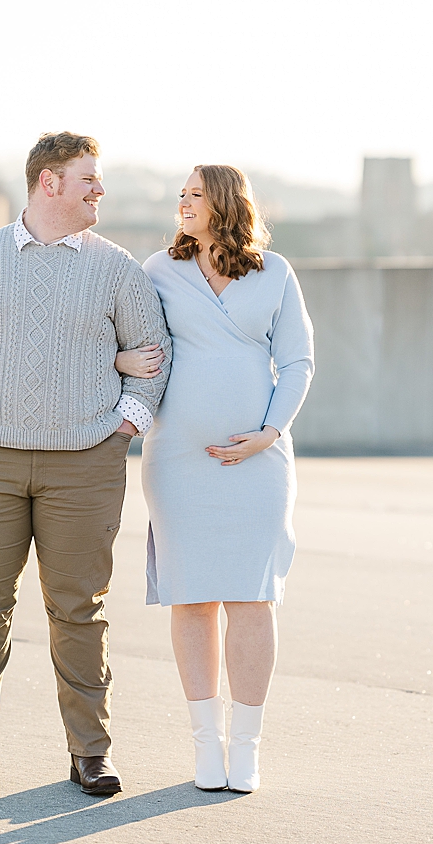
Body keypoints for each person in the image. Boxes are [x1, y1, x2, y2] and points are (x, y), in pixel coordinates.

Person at [0, 132, 171, 796]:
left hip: (85, 464)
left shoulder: (118, 269)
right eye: (89, 179)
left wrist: (125, 426)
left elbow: (153, 349)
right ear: (47, 182)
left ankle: (90, 753)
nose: (99, 190)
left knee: (80, 609)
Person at [115, 164, 314, 793]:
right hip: (178, 460)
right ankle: (206, 745)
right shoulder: (158, 272)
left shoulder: (276, 274)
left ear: (225, 202)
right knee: (192, 596)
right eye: (181, 194)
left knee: (253, 596)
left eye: (194, 194)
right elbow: (121, 339)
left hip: (258, 462)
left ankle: (247, 748)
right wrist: (123, 358)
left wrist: (270, 432)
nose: (183, 202)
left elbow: (299, 361)